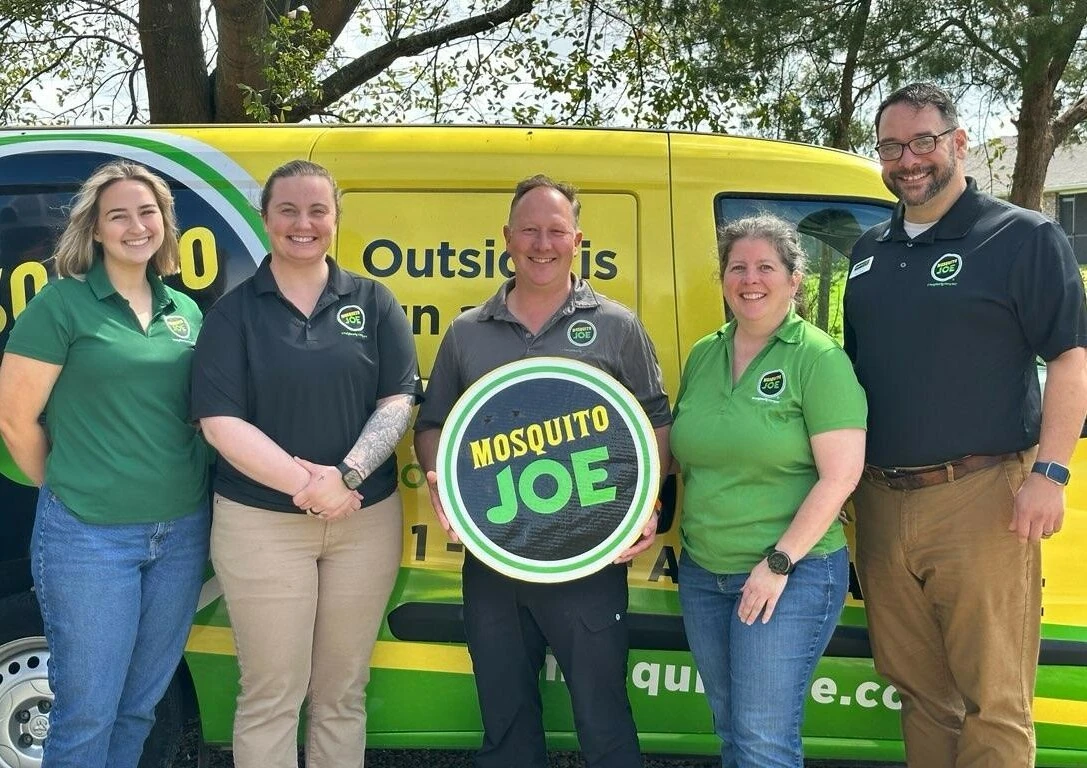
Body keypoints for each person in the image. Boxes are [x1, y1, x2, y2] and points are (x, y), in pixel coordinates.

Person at [844, 82, 1087, 767]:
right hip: (881, 502)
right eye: (890, 146)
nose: (906, 159)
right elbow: (857, 385)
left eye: (922, 141)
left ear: (956, 143)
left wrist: (1049, 471)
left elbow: (1071, 357)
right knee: (922, 697)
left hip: (982, 500)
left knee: (994, 702)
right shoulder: (868, 251)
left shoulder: (1020, 236)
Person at [413, 174, 671, 768]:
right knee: (505, 723)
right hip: (495, 556)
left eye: (556, 230)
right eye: (529, 229)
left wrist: (647, 502)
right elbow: (433, 426)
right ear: (506, 238)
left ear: (578, 239)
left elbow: (654, 420)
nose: (542, 243)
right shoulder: (466, 332)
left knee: (604, 719)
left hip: (589, 557)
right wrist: (439, 482)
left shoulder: (616, 326)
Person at [191, 160, 421, 768]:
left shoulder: (374, 301)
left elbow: (399, 400)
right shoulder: (233, 314)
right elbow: (220, 423)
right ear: (265, 219)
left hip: (363, 523)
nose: (303, 223)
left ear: (336, 219)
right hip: (259, 524)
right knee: (271, 695)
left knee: (341, 694)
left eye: (317, 210)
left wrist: (344, 478)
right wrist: (310, 485)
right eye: (288, 210)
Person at [0, 161, 210, 768]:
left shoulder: (186, 313)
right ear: (94, 230)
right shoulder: (61, 305)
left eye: (148, 213)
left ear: (166, 224)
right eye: (117, 215)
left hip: (179, 533)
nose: (135, 225)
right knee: (85, 714)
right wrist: (72, 488)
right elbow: (15, 419)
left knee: (139, 710)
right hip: (88, 538)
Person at [670, 215, 866, 767]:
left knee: (762, 739)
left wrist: (778, 562)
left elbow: (841, 474)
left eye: (765, 267)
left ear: (793, 278)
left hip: (790, 574)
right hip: (704, 572)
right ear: (723, 278)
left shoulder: (818, 359)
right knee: (732, 730)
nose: (749, 279)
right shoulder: (705, 354)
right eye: (737, 267)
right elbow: (685, 451)